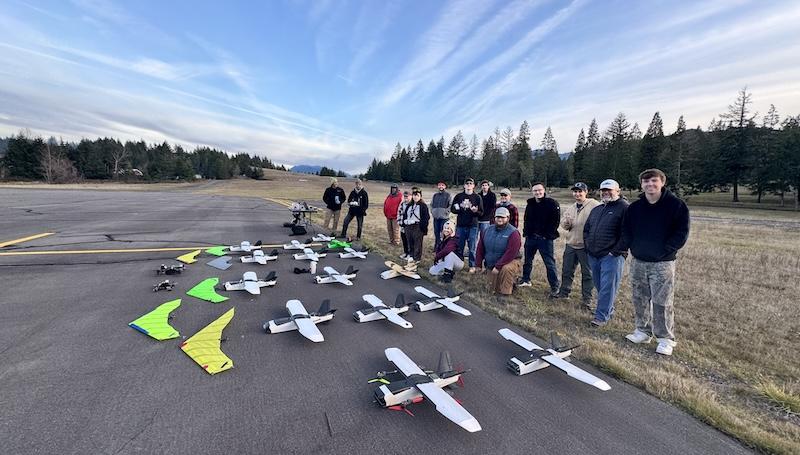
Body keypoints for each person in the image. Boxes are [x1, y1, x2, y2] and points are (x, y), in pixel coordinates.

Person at [622, 169, 690, 356]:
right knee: (639, 297)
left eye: (654, 181)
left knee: (662, 301)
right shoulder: (635, 208)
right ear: (641, 184)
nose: (650, 184)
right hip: (638, 261)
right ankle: (643, 331)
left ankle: (665, 338)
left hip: (662, 263)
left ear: (662, 183)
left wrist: (666, 250)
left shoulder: (676, 205)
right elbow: (626, 230)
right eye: (646, 181)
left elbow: (681, 232)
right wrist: (632, 247)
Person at [583, 179, 628, 327]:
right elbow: (587, 229)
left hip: (612, 256)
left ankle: (600, 317)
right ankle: (608, 309)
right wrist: (588, 246)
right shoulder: (597, 208)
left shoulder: (624, 208)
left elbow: (627, 233)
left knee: (608, 287)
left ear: (618, 191)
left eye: (609, 190)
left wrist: (615, 252)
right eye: (603, 190)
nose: (606, 192)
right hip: (594, 254)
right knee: (600, 286)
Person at [556, 182, 601, 309]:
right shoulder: (571, 207)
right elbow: (564, 225)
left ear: (586, 192)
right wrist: (566, 223)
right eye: (575, 191)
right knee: (567, 270)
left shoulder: (594, 205)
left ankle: (587, 299)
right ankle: (564, 293)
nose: (577, 194)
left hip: (586, 246)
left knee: (587, 274)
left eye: (580, 191)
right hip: (571, 244)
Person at [519, 183, 560, 297]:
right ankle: (526, 280)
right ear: (532, 192)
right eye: (535, 191)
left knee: (549, 263)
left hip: (545, 239)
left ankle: (554, 286)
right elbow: (526, 219)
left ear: (544, 190)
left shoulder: (552, 204)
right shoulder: (530, 203)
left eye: (539, 190)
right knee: (527, 260)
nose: (537, 192)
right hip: (531, 237)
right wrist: (526, 233)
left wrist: (547, 235)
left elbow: (555, 222)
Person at [475, 207, 522, 296]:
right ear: (494, 218)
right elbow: (480, 248)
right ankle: (511, 283)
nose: (500, 219)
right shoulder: (487, 230)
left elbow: (511, 253)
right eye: (498, 217)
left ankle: (505, 294)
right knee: (491, 290)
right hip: (492, 263)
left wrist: (498, 267)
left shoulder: (513, 233)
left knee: (506, 269)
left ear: (507, 218)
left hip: (510, 261)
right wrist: (478, 264)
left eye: (502, 217)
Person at [450, 178, 483, 273]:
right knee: (459, 246)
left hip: (473, 225)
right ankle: (458, 264)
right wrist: (458, 209)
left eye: (470, 183)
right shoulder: (459, 196)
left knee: (472, 247)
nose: (468, 185)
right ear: (464, 185)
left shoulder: (477, 197)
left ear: (473, 186)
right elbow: (453, 209)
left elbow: (481, 212)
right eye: (467, 183)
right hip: (460, 224)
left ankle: (472, 265)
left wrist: (475, 211)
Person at [401, 189, 430, 265]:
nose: (415, 197)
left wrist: (422, 226)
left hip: (417, 226)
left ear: (420, 196)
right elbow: (405, 214)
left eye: (417, 195)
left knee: (417, 243)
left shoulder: (423, 206)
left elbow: (426, 217)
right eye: (414, 195)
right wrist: (404, 222)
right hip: (408, 226)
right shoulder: (409, 205)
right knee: (410, 242)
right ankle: (411, 255)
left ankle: (417, 258)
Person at [430, 181, 452, 250]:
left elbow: (451, 205)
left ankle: (444, 247)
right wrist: (433, 211)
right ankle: (437, 246)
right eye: (439, 185)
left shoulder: (448, 195)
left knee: (444, 233)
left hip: (444, 218)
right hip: (436, 217)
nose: (441, 186)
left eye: (442, 185)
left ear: (445, 186)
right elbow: (431, 204)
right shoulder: (435, 195)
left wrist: (446, 211)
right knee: (436, 232)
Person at [397, 190, 412, 259]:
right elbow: (399, 213)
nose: (406, 198)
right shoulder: (402, 204)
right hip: (402, 225)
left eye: (407, 196)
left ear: (411, 196)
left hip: (409, 226)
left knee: (409, 240)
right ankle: (405, 252)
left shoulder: (412, 205)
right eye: (405, 196)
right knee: (404, 239)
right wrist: (399, 222)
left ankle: (410, 254)